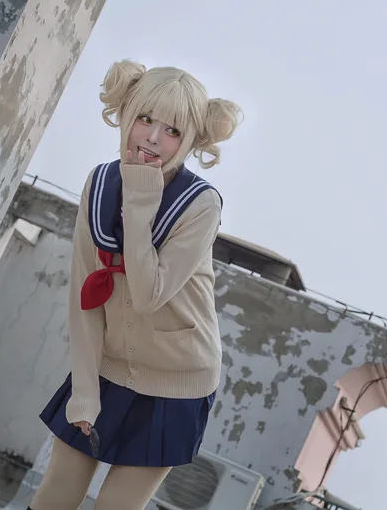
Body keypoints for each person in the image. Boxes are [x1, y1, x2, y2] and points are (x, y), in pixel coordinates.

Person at [30, 59, 241, 510]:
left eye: (172, 130)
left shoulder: (201, 204)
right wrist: (84, 390)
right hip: (107, 366)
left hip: (177, 381)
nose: (152, 137)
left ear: (190, 140)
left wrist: (142, 202)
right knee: (55, 494)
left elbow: (148, 295)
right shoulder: (100, 183)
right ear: (126, 114)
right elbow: (85, 294)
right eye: (145, 119)